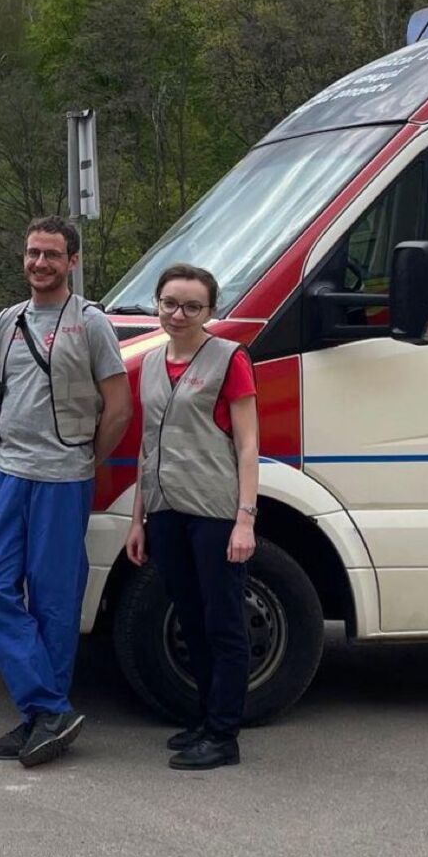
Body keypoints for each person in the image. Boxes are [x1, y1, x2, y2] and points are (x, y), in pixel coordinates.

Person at [0, 216, 131, 767]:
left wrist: (88, 459)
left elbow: (118, 406)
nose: (39, 263)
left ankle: (42, 715)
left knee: (53, 601)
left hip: (64, 477)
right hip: (12, 473)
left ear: (72, 262)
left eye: (51, 255)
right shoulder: (6, 321)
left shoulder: (91, 324)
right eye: (32, 253)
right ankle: (48, 707)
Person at [123, 262, 259, 770]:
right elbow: (146, 446)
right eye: (170, 303)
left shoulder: (229, 359)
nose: (178, 314)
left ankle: (224, 734)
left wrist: (245, 519)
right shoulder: (153, 362)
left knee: (223, 622)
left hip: (215, 511)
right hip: (166, 511)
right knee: (191, 617)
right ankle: (204, 719)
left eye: (191, 306)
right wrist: (138, 519)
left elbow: (248, 445)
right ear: (157, 304)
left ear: (210, 311)